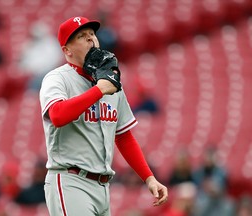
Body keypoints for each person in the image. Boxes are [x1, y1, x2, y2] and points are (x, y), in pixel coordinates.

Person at [39, 16, 168, 216]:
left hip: (103, 186)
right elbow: (57, 115)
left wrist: (149, 178)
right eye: (81, 36)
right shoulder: (57, 79)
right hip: (71, 181)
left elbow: (124, 136)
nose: (90, 39)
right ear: (67, 50)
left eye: (92, 34)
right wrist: (98, 91)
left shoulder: (110, 82)